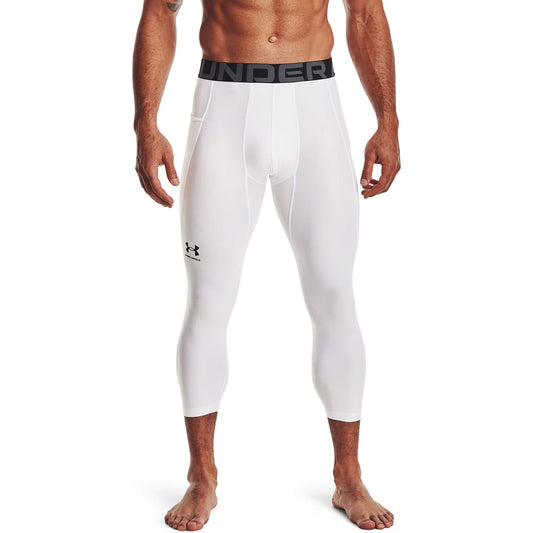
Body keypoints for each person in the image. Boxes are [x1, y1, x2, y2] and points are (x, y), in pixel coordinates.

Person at [133, 0, 400, 529]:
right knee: (208, 300)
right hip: (223, 107)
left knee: (334, 295)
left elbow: (366, 13)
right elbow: (161, 10)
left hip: (314, 106)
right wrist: (146, 122)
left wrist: (387, 120)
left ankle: (348, 476)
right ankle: (201, 477)